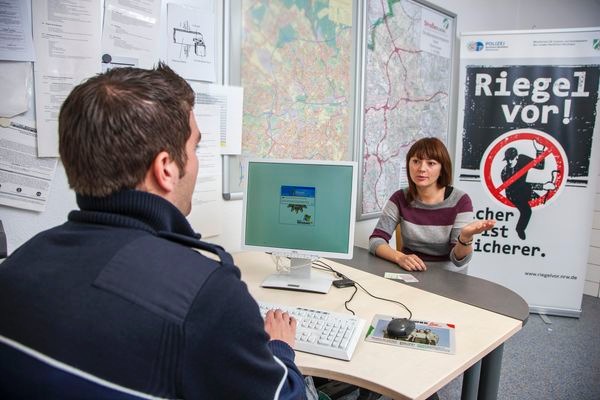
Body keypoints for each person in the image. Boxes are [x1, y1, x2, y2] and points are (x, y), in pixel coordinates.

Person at [0, 63, 307, 399]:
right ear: (165, 168)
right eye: (195, 148)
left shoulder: (21, 261)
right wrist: (280, 349)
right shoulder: (206, 295)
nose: (196, 160)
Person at [369, 137, 495, 274]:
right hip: (412, 274)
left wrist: (465, 237)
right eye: (416, 161)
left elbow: (459, 260)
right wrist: (400, 257)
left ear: (442, 168)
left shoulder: (460, 201)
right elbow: (376, 240)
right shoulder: (399, 198)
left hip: (449, 278)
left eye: (431, 163)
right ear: (408, 164)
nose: (422, 169)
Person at [501, 139, 556, 240]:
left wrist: (540, 151)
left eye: (511, 159)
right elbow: (520, 186)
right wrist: (543, 186)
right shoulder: (505, 173)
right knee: (527, 211)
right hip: (513, 194)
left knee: (542, 201)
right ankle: (520, 229)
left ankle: (546, 229)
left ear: (517, 157)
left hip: (525, 189)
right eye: (507, 159)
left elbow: (540, 165)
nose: (509, 161)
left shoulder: (522, 159)